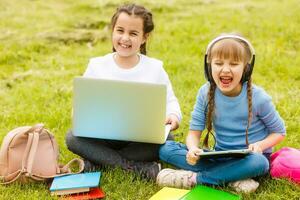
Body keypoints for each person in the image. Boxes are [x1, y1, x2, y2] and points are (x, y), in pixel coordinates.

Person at [65, 3, 181, 180]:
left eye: (133, 33)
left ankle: (98, 163)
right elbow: (82, 103)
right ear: (113, 31)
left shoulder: (155, 68)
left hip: (140, 138)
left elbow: (170, 101)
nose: (125, 38)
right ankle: (135, 169)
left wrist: (173, 116)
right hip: (103, 135)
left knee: (167, 140)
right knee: (72, 137)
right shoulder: (97, 65)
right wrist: (78, 114)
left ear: (144, 37)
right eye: (120, 31)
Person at [156, 34, 286, 193]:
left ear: (246, 68)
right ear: (209, 66)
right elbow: (193, 133)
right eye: (218, 63)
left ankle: (195, 179)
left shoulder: (260, 98)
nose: (225, 69)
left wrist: (260, 146)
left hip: (250, 158)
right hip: (219, 155)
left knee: (260, 163)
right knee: (165, 148)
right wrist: (192, 149)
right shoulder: (205, 93)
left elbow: (279, 132)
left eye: (234, 64)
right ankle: (232, 178)